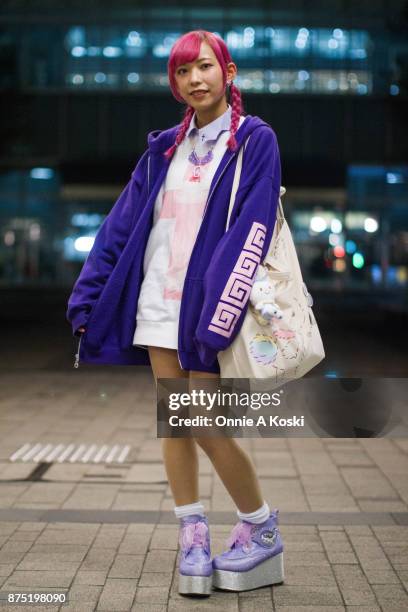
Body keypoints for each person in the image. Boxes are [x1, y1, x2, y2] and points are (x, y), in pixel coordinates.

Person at [66, 29, 284, 596]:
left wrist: (220, 312)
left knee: (204, 420)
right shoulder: (164, 147)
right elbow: (121, 226)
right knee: (175, 419)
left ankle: (261, 529)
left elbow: (252, 229)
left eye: (205, 67)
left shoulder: (255, 141)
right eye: (183, 72)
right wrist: (87, 297)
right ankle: (192, 532)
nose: (195, 80)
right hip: (158, 300)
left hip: (206, 306)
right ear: (175, 84)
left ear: (228, 74)